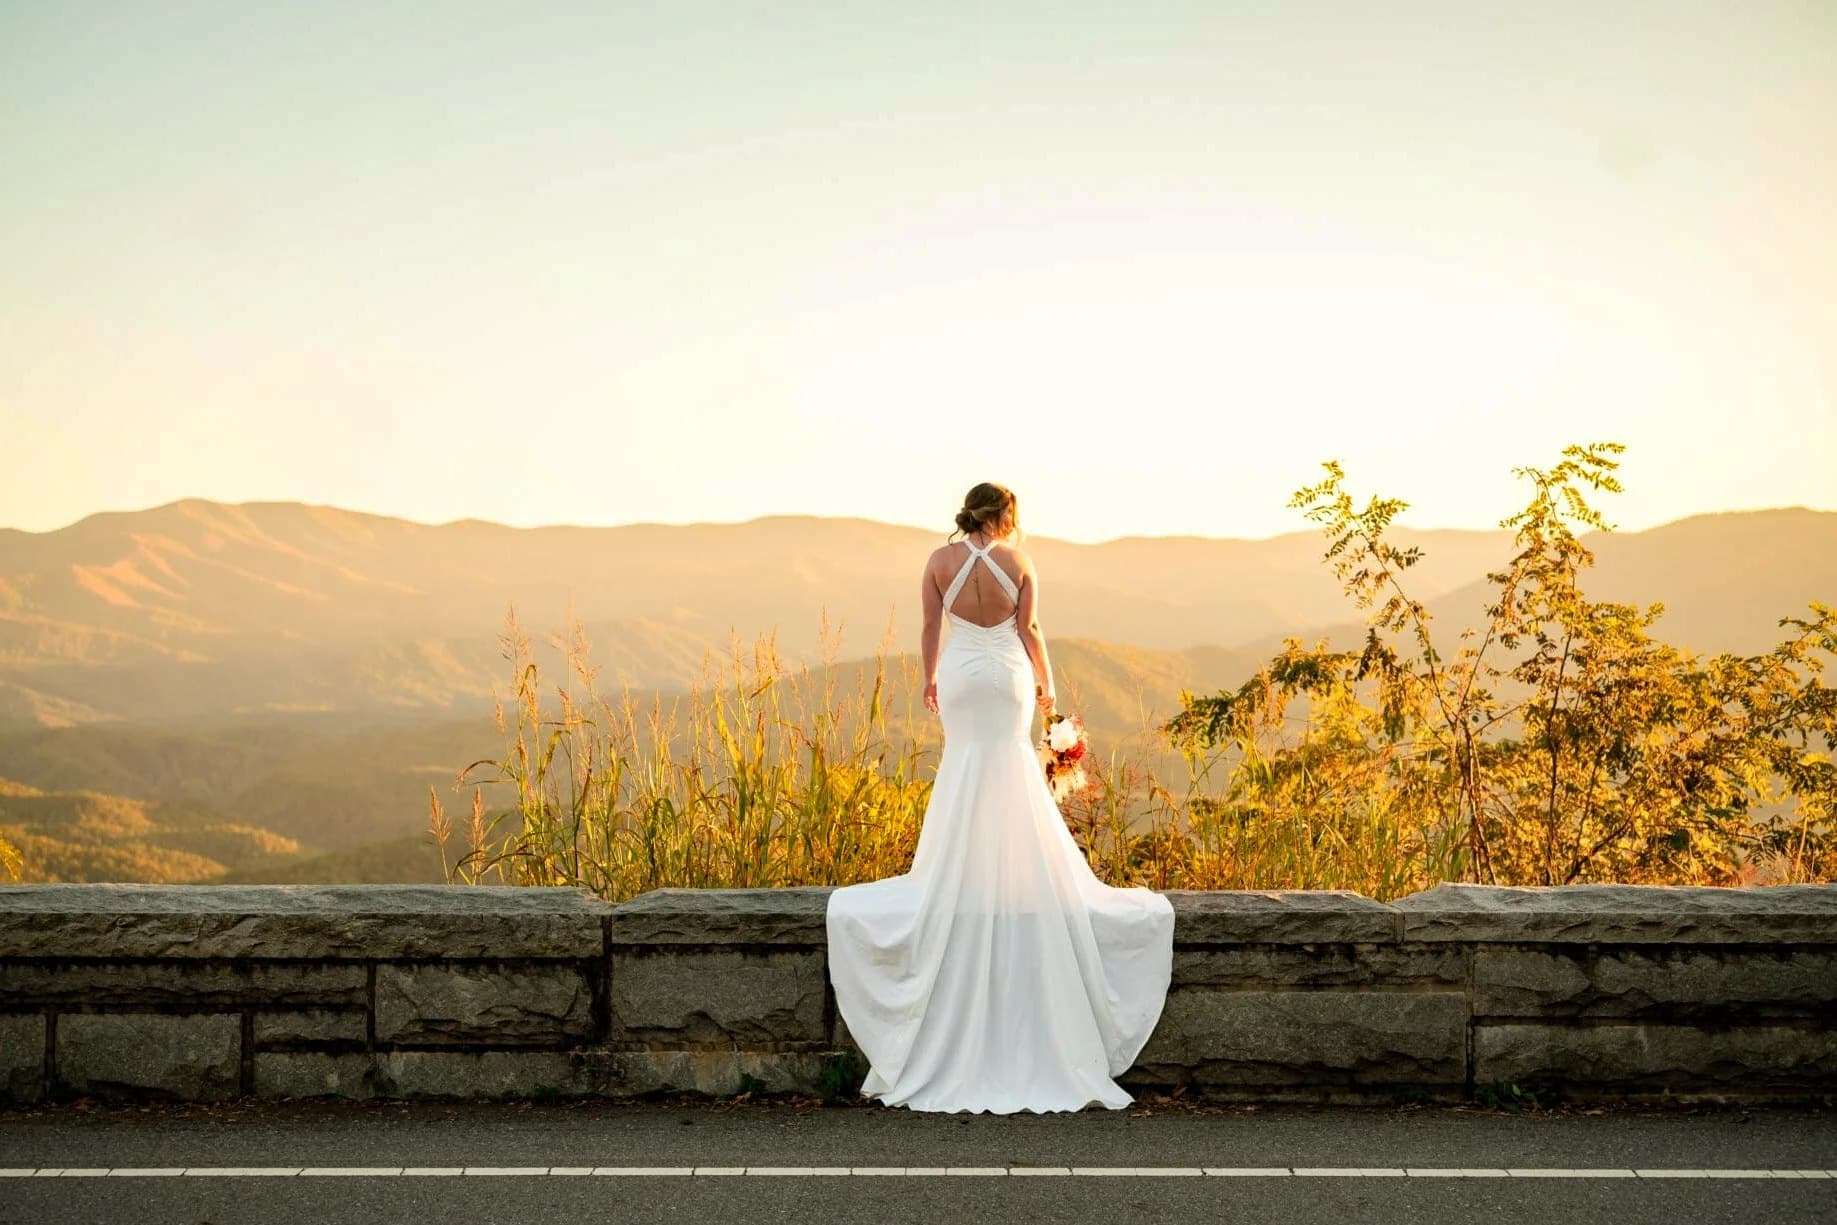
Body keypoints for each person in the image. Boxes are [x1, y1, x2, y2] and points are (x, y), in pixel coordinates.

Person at [825, 481, 1176, 1113]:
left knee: (967, 766)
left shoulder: (938, 563)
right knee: (1011, 767)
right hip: (1007, 676)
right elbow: (1030, 628)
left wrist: (931, 679)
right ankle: (1016, 883)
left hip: (962, 677)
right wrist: (1047, 690)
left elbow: (932, 627)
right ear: (1006, 515)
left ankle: (964, 879)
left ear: (968, 513)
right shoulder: (1019, 563)